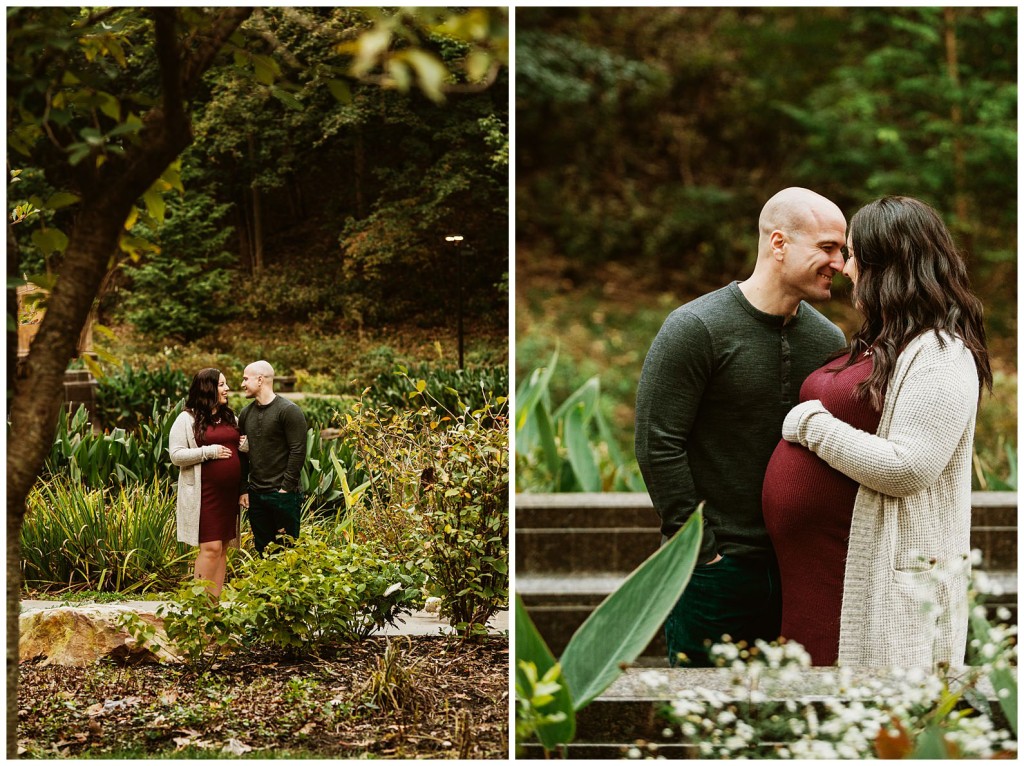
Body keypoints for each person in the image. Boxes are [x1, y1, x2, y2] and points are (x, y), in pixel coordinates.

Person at [771, 196, 991, 668]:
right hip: (819, 575)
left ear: (885, 263)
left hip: (874, 584)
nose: (846, 268)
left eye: (852, 255)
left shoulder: (941, 353)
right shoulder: (885, 340)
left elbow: (908, 468)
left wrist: (811, 425)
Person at [634, 187, 849, 667]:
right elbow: (658, 443)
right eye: (828, 247)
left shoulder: (827, 339)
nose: (840, 263)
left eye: (843, 250)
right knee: (708, 726)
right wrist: (701, 550)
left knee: (784, 727)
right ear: (778, 244)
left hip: (799, 570)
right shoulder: (695, 328)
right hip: (715, 571)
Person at [168, 368, 242, 597]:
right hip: (204, 494)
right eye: (221, 385)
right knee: (210, 548)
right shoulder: (186, 418)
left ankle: (213, 609)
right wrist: (207, 452)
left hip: (228, 496)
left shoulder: (230, 417)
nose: (227, 389)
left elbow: (238, 446)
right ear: (208, 388)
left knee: (222, 550)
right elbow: (176, 455)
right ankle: (199, 608)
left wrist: (246, 445)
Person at [238, 360, 308, 555]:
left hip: (283, 494)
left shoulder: (288, 411)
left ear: (260, 380)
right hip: (256, 496)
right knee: (263, 551)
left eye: (245, 379)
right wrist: (244, 488)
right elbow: (242, 454)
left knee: (288, 551)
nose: (242, 384)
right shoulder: (245, 413)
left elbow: (298, 451)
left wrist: (285, 488)